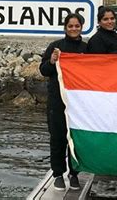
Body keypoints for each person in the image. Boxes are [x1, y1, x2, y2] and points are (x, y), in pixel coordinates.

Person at [39, 13, 87, 191]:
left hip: (78, 103)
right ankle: (58, 173)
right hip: (57, 101)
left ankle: (74, 174)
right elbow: (43, 70)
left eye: (77, 26)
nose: (74, 29)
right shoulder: (55, 46)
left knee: (76, 138)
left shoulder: (86, 48)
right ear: (65, 28)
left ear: (81, 27)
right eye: (70, 26)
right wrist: (52, 61)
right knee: (58, 138)